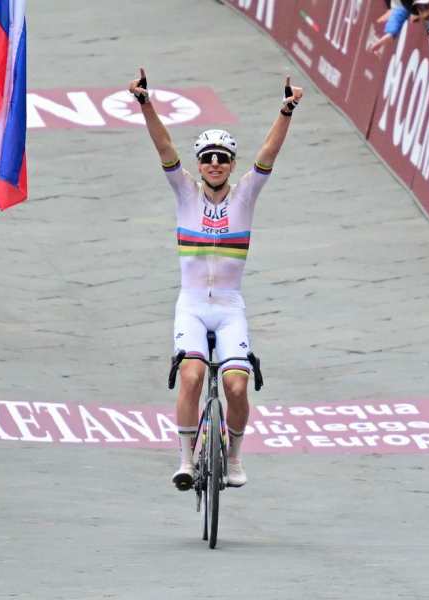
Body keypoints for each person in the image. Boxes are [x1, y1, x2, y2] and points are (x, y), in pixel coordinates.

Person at [129, 68, 303, 489]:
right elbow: (164, 146)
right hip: (191, 304)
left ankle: (236, 457)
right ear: (199, 164)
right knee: (190, 377)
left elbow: (269, 153)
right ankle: (187, 459)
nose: (214, 164)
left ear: (231, 164)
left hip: (228, 307)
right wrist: (146, 104)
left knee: (237, 388)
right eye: (207, 157)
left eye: (222, 157)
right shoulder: (185, 192)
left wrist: (286, 110)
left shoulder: (245, 195)